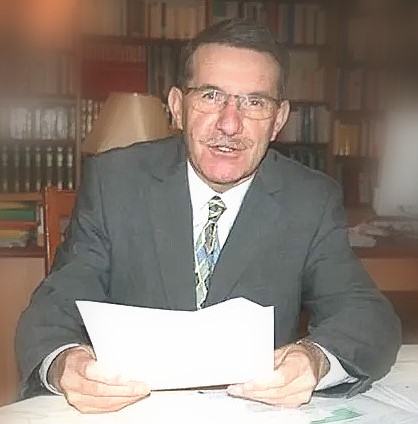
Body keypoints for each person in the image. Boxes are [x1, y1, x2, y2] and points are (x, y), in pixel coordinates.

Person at [16, 18, 401, 414]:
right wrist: (67, 363)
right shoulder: (114, 181)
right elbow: (55, 305)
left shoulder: (310, 199)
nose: (229, 124)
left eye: (254, 102)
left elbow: (367, 315)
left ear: (278, 120)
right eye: (211, 96)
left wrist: (314, 360)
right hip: (133, 412)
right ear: (177, 106)